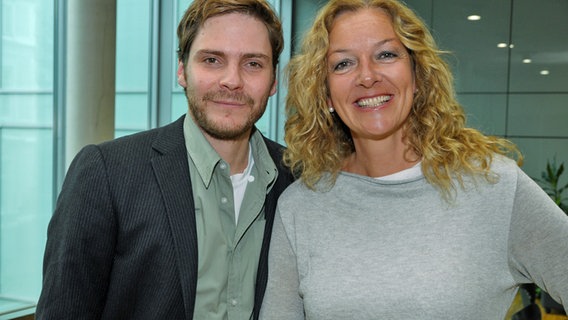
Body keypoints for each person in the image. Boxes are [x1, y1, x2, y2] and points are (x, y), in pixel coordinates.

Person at [259, 0, 568, 319]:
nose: (367, 76)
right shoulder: (300, 206)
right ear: (326, 94)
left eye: (386, 55)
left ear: (417, 75)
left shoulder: (494, 186)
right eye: (343, 64)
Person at [36, 0, 293, 319]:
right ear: (182, 70)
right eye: (212, 60)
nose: (232, 80)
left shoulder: (297, 179)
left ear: (273, 80)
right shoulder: (106, 172)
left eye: (253, 63)